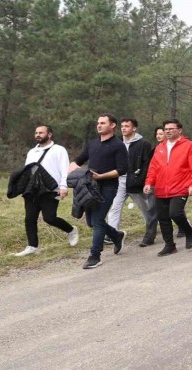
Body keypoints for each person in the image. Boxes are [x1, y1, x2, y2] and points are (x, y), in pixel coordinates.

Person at [70, 114, 128, 269]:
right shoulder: (92, 144)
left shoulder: (118, 145)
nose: (99, 125)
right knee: (92, 222)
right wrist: (72, 171)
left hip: (109, 187)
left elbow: (122, 169)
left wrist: (102, 176)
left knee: (97, 221)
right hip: (90, 187)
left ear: (113, 125)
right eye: (98, 123)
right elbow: (78, 160)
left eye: (103, 123)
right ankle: (117, 235)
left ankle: (95, 256)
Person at [14, 125, 79, 257]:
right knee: (29, 218)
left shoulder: (59, 150)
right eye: (36, 132)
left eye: (41, 133)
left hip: (51, 190)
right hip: (32, 190)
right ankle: (32, 246)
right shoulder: (32, 152)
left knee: (49, 218)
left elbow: (64, 169)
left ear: (49, 134)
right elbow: (27, 170)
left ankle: (71, 230)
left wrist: (63, 186)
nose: (38, 135)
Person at [143, 118, 192, 257]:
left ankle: (189, 233)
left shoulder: (189, 145)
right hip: (162, 188)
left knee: (175, 213)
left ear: (179, 130)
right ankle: (169, 245)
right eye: (166, 129)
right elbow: (153, 168)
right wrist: (148, 182)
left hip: (181, 186)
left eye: (171, 128)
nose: (168, 131)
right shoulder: (160, 147)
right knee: (163, 218)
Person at [107, 118, 156, 247]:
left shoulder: (143, 144)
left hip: (136, 181)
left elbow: (147, 163)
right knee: (114, 207)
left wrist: (143, 180)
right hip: (120, 181)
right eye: (122, 126)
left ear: (134, 128)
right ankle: (113, 234)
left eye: (127, 126)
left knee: (145, 208)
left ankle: (152, 229)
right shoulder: (117, 143)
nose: (123, 128)